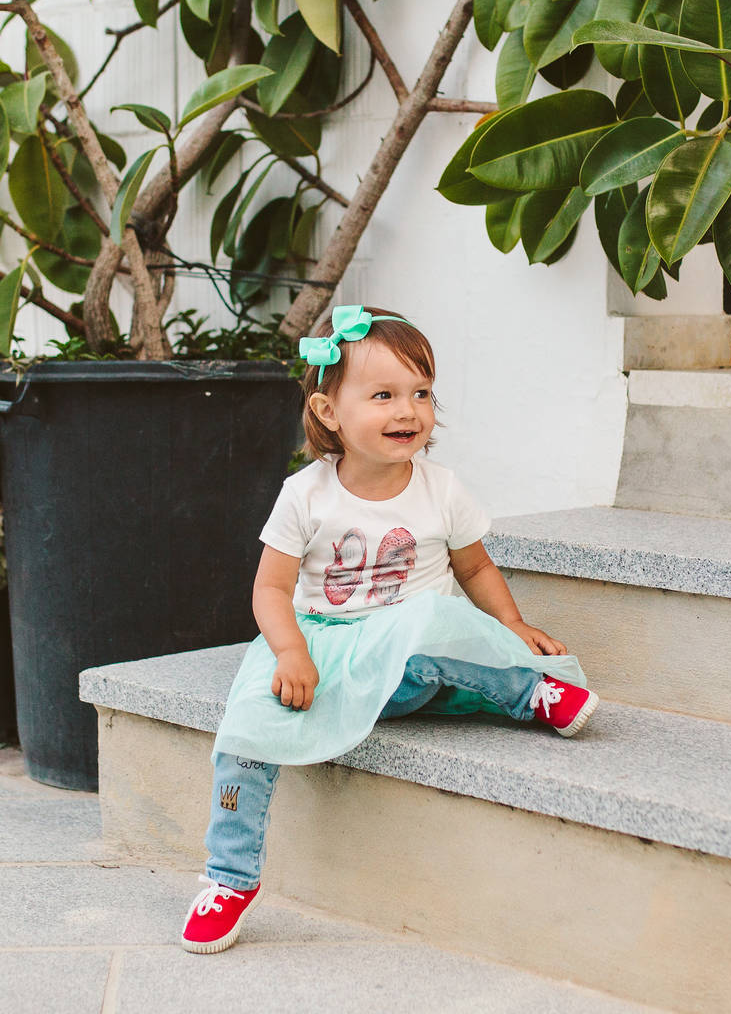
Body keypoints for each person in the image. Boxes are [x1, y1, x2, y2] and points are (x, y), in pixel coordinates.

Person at [181, 303, 597, 953]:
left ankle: (525, 693)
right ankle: (229, 879)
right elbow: (270, 588)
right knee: (245, 728)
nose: (409, 411)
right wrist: (289, 651)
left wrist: (510, 625)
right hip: (320, 648)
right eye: (383, 395)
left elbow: (475, 567)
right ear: (328, 411)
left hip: (409, 658)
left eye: (421, 393)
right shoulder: (307, 495)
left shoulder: (441, 489)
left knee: (433, 618)